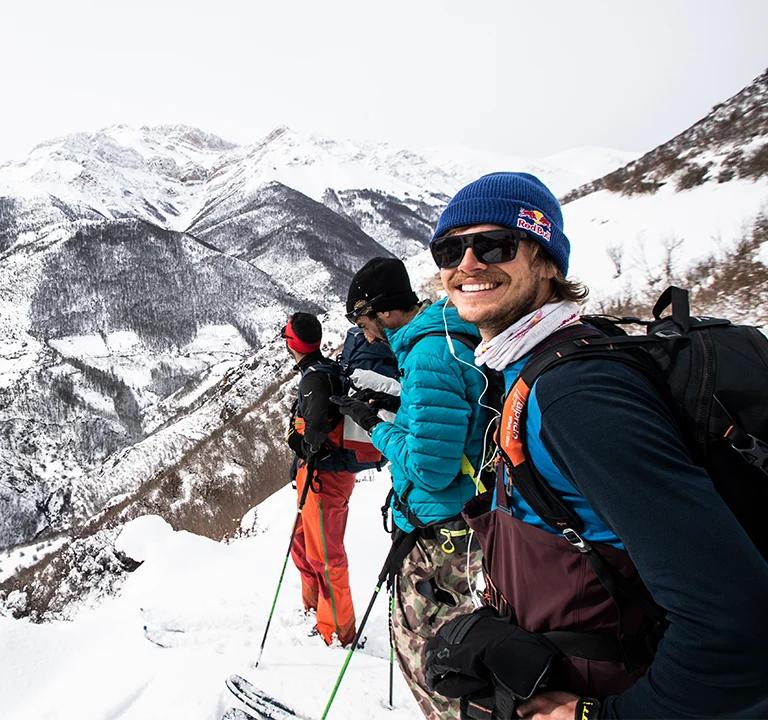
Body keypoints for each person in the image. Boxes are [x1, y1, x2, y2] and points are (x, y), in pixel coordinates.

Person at [422, 171, 768, 719]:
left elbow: (735, 620)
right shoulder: (537, 368)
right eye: (450, 248)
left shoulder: (576, 396)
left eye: (493, 244)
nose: (467, 263)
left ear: (546, 259)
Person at [334, 257, 492, 720]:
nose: (366, 336)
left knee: (431, 657)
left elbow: (431, 468)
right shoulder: (449, 332)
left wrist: (375, 425)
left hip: (438, 529)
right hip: (462, 514)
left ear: (383, 312)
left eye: (365, 322)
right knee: (456, 642)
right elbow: (445, 422)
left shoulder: (426, 355)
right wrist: (397, 410)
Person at [282, 311, 358, 647]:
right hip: (319, 475)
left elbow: (313, 435)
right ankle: (314, 608)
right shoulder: (325, 369)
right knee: (303, 544)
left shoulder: (313, 379)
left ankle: (337, 632)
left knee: (326, 556)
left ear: (292, 344)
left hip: (323, 478)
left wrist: (294, 442)